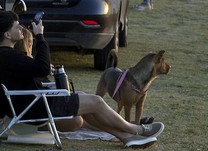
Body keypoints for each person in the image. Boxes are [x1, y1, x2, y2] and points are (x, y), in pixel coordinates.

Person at [0, 11, 164, 148]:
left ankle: (126, 137)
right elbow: (41, 67)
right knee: (96, 101)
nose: (21, 27)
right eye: (16, 26)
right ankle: (136, 130)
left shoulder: (7, 56)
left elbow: (28, 72)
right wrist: (40, 36)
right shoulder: (8, 56)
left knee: (87, 102)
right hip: (37, 108)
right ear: (7, 34)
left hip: (31, 104)